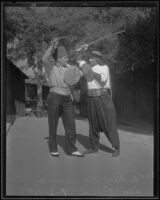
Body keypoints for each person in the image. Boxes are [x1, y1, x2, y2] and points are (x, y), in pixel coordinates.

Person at [42, 38, 84, 157]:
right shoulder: (51, 68)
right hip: (54, 97)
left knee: (70, 124)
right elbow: (44, 59)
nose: (67, 58)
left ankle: (71, 148)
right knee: (53, 123)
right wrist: (52, 47)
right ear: (58, 59)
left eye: (66, 57)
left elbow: (79, 73)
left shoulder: (69, 68)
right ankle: (53, 147)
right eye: (64, 57)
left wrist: (81, 51)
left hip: (67, 99)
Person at [76, 49, 120, 157]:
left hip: (103, 98)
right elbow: (78, 60)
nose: (90, 59)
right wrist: (82, 49)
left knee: (108, 123)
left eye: (92, 58)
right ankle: (94, 147)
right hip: (91, 99)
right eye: (89, 58)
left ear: (97, 59)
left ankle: (116, 147)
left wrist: (84, 65)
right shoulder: (88, 69)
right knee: (93, 124)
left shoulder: (104, 68)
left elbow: (101, 80)